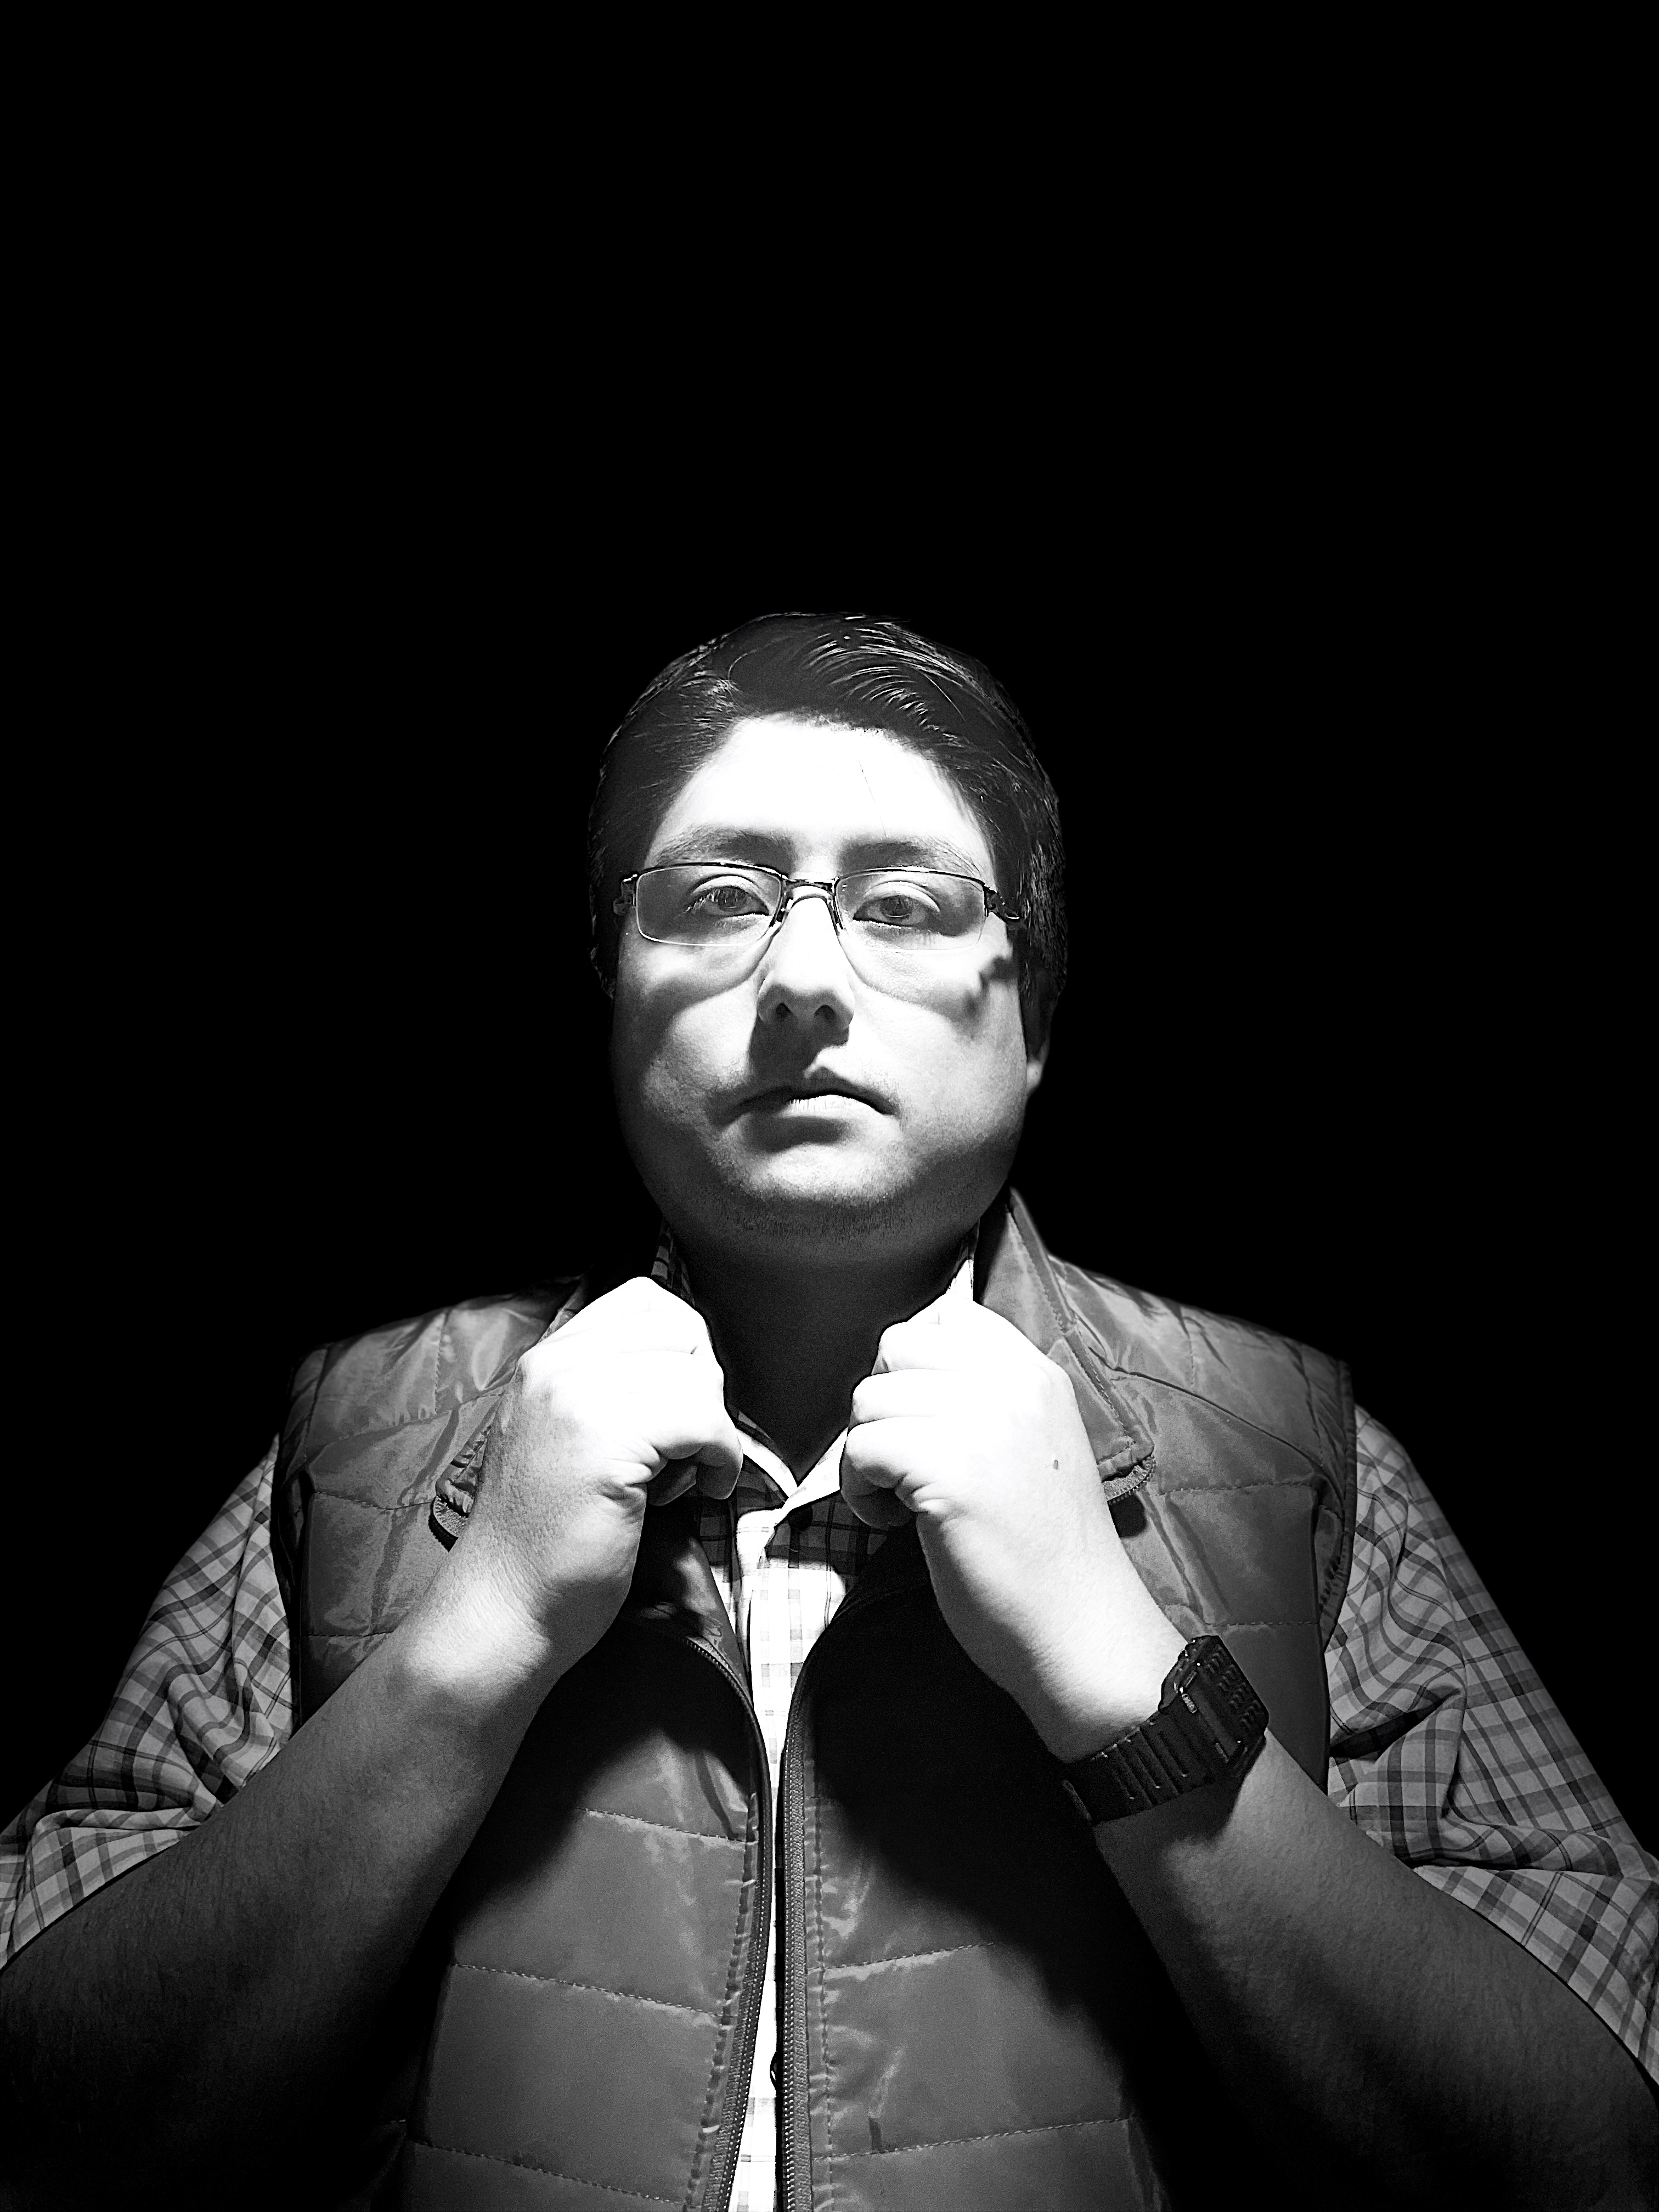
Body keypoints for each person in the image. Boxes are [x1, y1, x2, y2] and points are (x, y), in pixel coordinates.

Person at [0, 614, 1652, 2210]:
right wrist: (471, 1642)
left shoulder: (1297, 1453)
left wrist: (1118, 1670)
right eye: (719, 898)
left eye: (906, 904)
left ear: (1034, 1016)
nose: (800, 975)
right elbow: (45, 2141)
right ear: (615, 989)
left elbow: (1589, 2165)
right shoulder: (356, 1438)